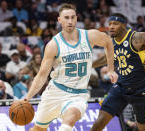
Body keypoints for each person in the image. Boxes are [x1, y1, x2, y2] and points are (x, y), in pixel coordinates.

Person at [24, 3, 117, 131]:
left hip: (78, 94)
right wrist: (27, 97)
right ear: (59, 20)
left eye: (73, 17)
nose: (70, 21)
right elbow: (42, 75)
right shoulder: (53, 45)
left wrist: (111, 69)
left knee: (70, 118)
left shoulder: (90, 36)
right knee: (38, 129)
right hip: (55, 92)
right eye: (66, 18)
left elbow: (108, 42)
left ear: (77, 18)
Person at [91, 13, 145, 131]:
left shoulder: (137, 37)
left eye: (115, 23)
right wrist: (89, 64)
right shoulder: (112, 42)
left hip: (141, 90)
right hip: (121, 88)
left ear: (124, 25)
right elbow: (106, 58)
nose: (111, 27)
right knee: (100, 121)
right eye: (109, 24)